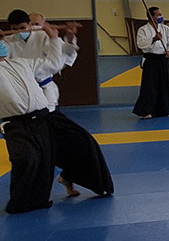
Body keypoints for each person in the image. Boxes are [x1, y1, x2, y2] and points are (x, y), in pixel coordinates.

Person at [0, 21, 113, 213]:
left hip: (45, 115)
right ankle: (23, 202)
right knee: (28, 159)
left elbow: (54, 63)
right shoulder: (11, 43)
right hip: (17, 122)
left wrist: (54, 38)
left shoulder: (21, 62)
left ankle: (80, 179)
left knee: (82, 142)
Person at [5, 9, 77, 110]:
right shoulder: (7, 41)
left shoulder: (43, 35)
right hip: (21, 90)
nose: (19, 32)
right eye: (14, 29)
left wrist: (69, 37)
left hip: (44, 87)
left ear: (29, 24)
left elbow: (62, 53)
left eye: (22, 28)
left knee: (48, 115)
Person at [133, 7, 169, 119]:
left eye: (160, 14)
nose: (161, 16)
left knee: (164, 85)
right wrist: (153, 39)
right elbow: (140, 44)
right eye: (158, 14)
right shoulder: (143, 30)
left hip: (163, 59)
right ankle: (148, 111)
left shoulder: (165, 28)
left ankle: (165, 109)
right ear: (151, 17)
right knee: (150, 86)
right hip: (151, 60)